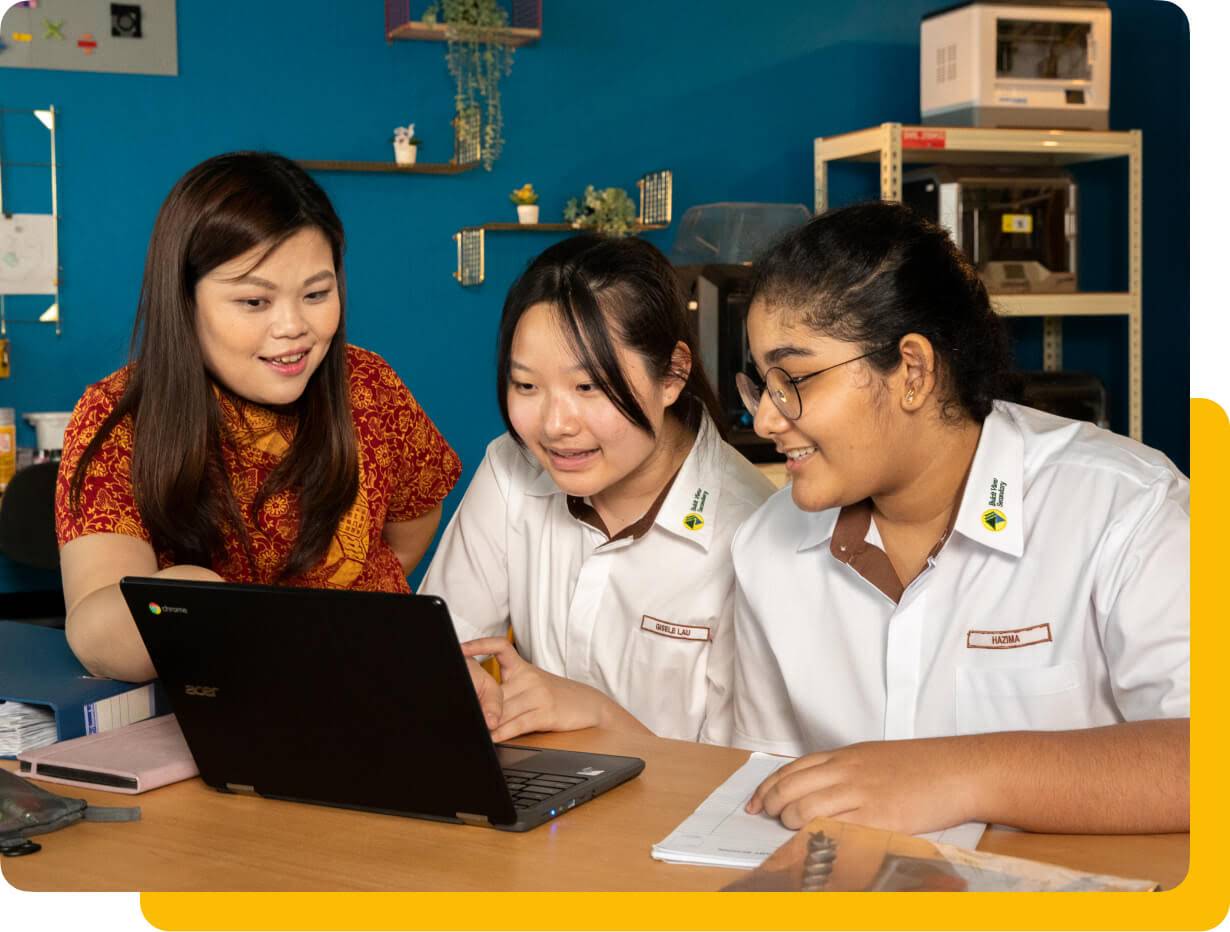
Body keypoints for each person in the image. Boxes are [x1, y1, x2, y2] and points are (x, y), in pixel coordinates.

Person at [731, 201, 1189, 835]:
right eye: (761, 383)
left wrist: (958, 774)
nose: (766, 420)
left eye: (796, 379)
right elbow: (763, 777)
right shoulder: (765, 546)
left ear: (913, 371)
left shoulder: (1123, 508)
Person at [55, 152, 464, 688]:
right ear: (184, 298)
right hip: (222, 706)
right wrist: (193, 596)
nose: (293, 327)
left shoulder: (369, 384)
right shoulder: (120, 416)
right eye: (254, 301)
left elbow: (412, 524)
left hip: (374, 683)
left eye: (317, 294)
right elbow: (94, 620)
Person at [420, 234, 775, 744]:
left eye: (588, 387)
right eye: (526, 386)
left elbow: (743, 783)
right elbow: (440, 651)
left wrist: (599, 717)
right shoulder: (510, 468)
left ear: (673, 374)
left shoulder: (750, 534)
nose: (555, 425)